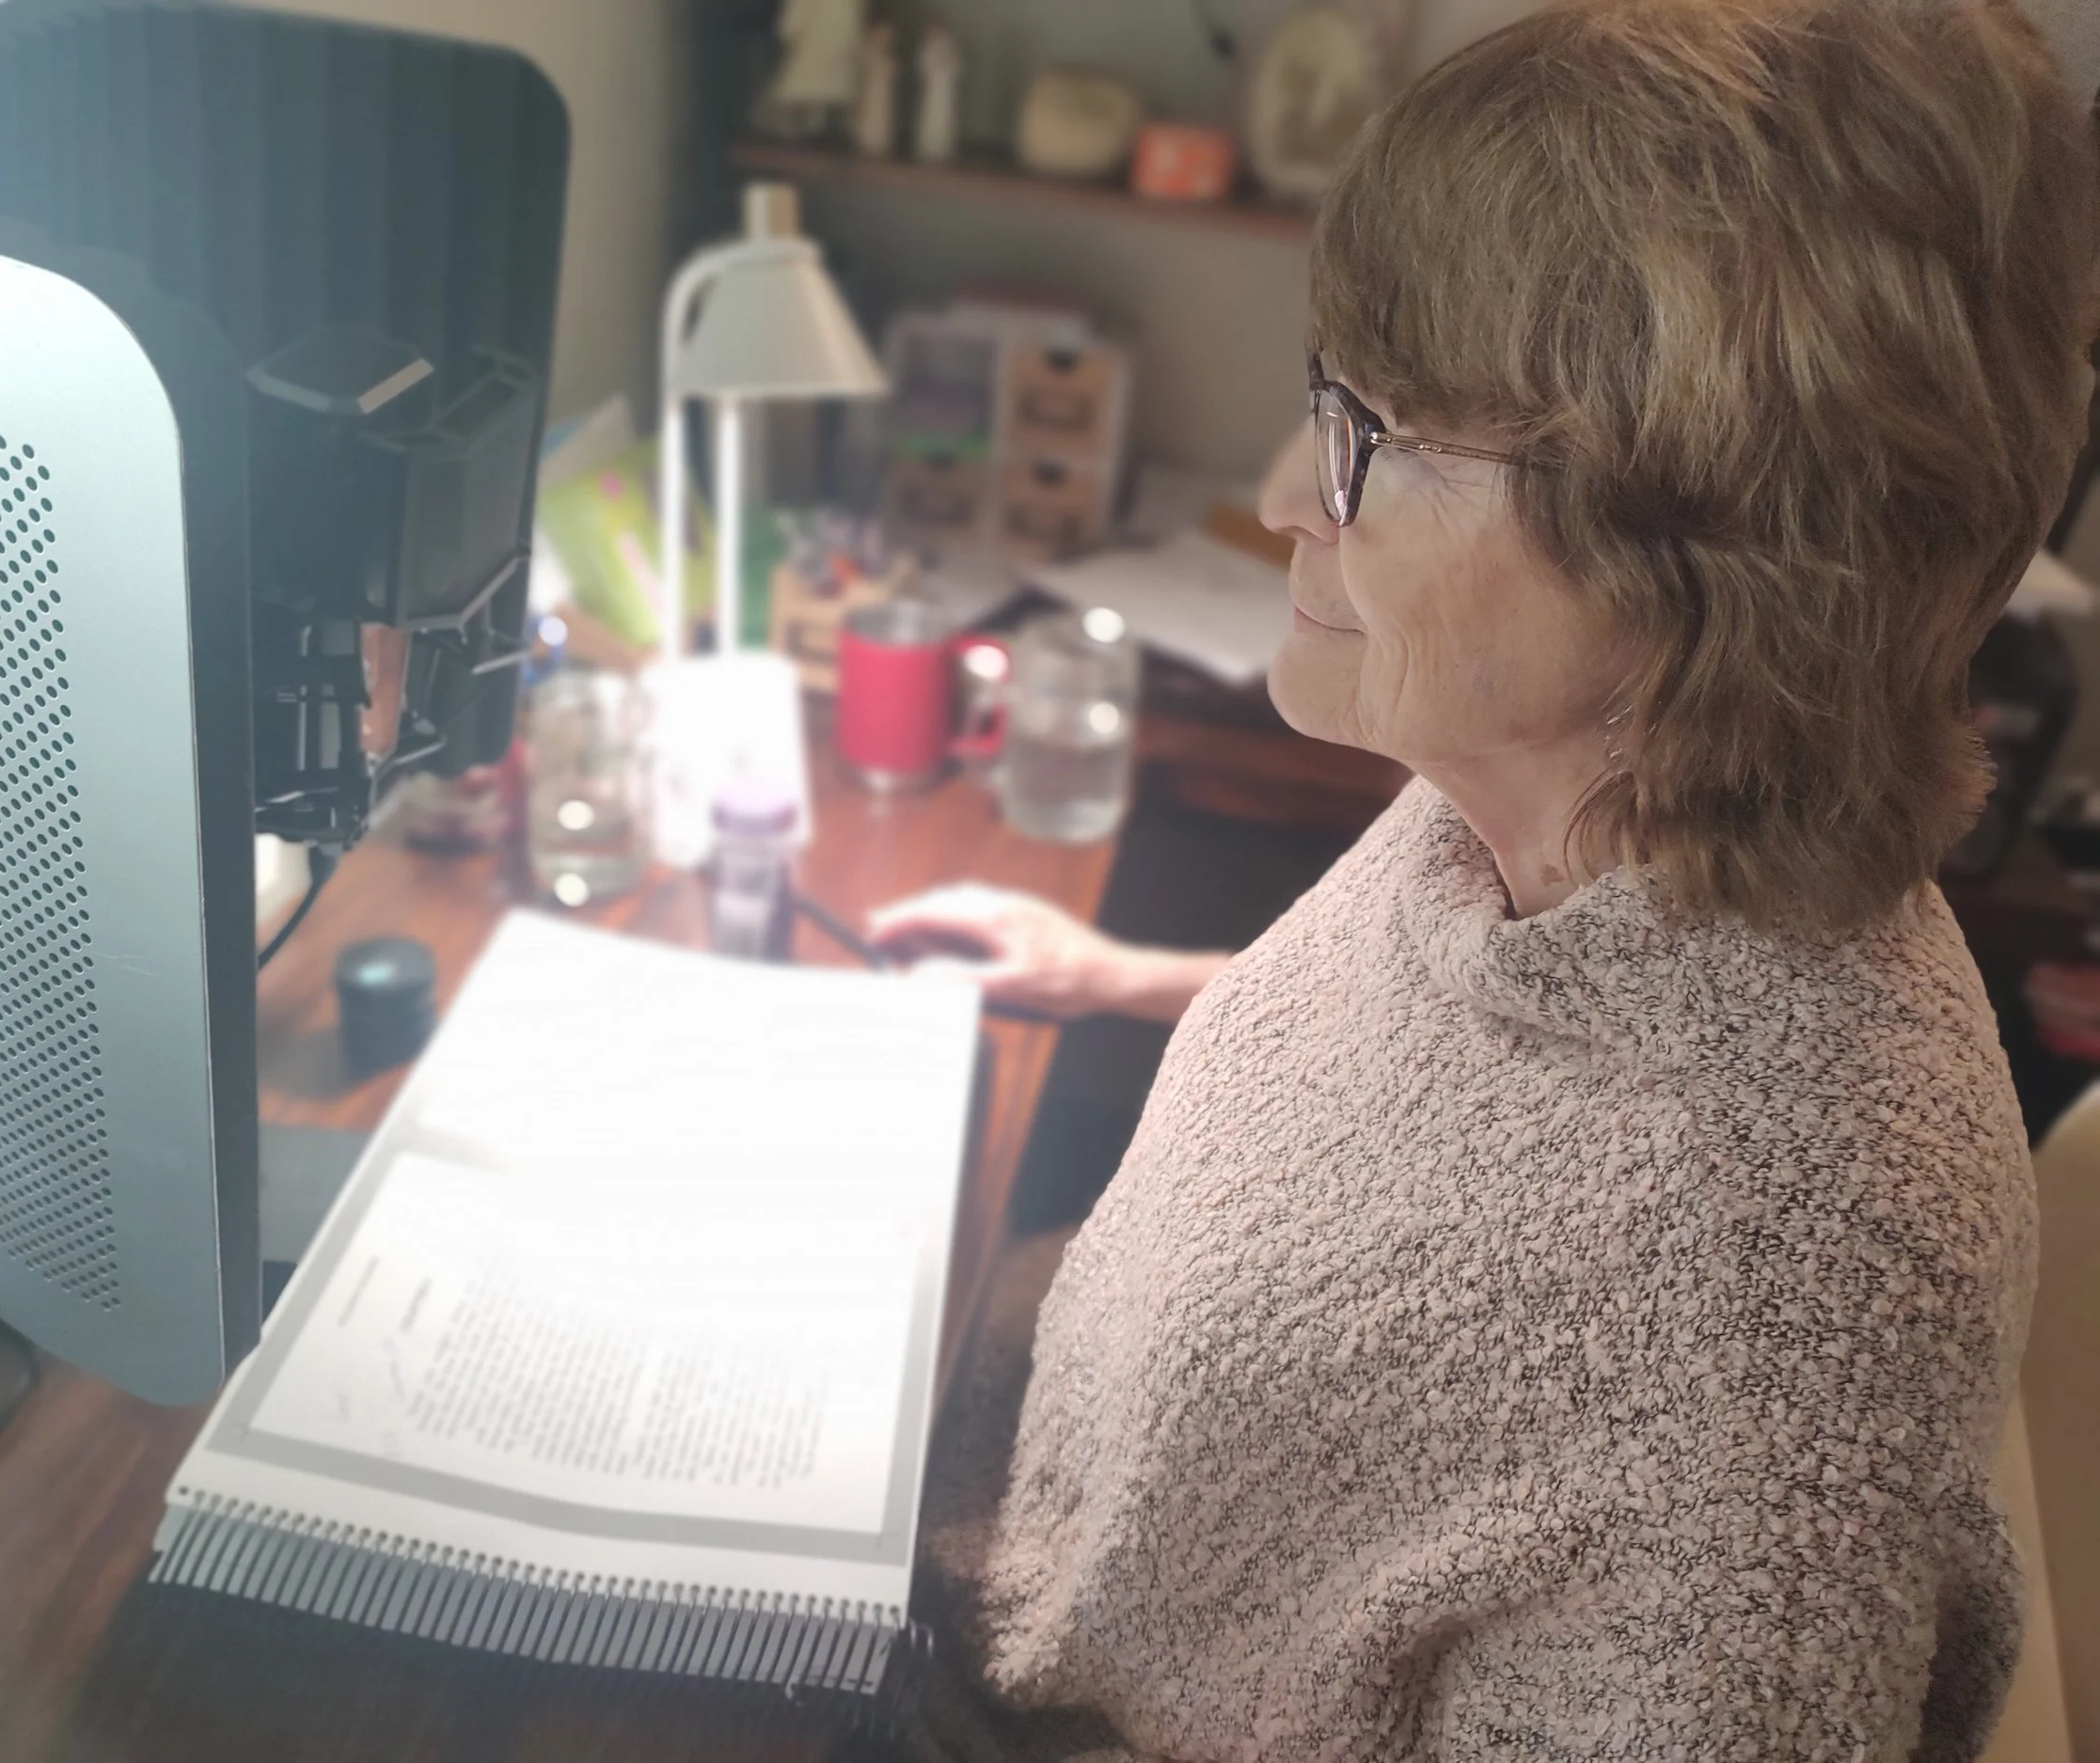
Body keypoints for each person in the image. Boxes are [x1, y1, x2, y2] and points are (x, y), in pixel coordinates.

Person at [869, 1, 2100, 1757]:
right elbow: (1458, 1108)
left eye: (1373, 434)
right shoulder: (1542, 807)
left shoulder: (1766, 1310)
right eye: (1329, 392)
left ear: (1710, 560)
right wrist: (1127, 975)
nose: (1293, 491)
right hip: (1010, 1468)